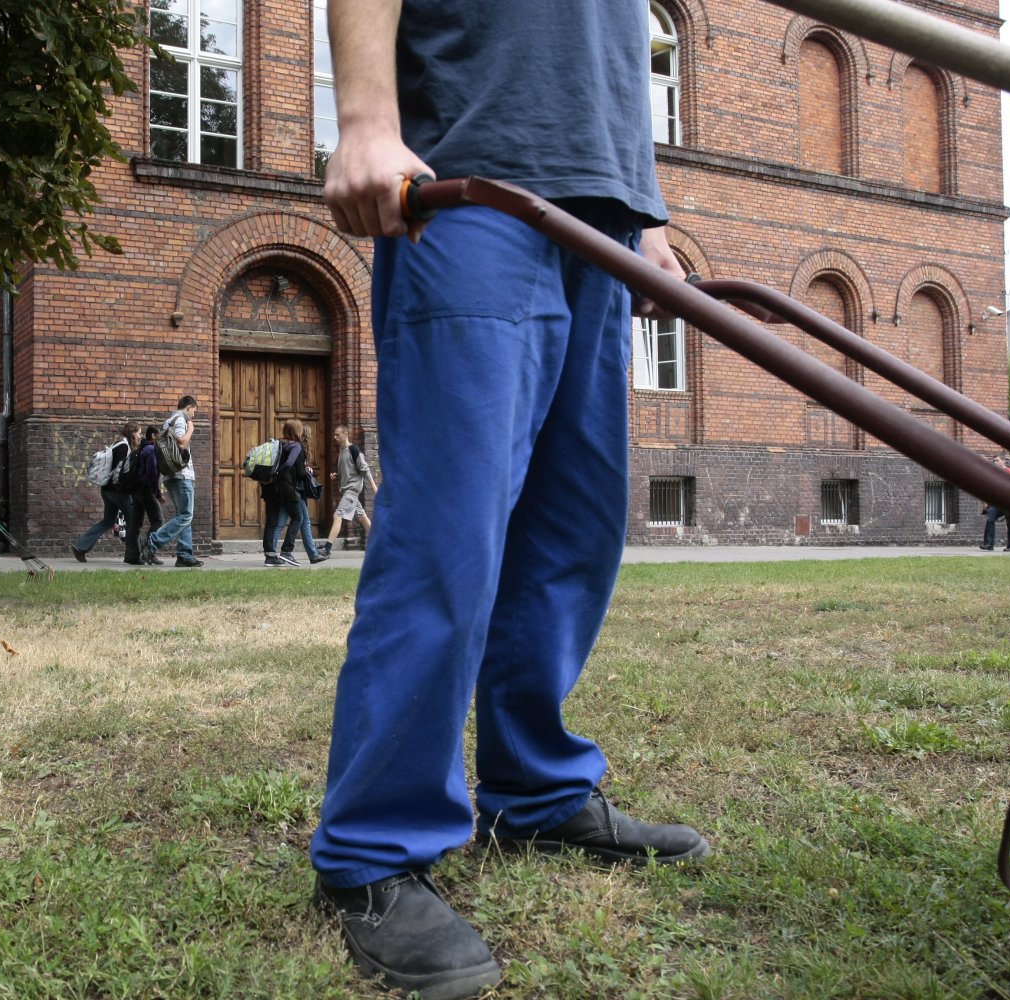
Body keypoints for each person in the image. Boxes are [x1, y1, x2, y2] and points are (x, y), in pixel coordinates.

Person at [310, 2, 707, 997]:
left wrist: (646, 210)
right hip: (470, 181)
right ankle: (374, 846)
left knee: (571, 530)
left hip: (601, 210)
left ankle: (533, 787)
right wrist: (364, 118)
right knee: (452, 532)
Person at [141, 395, 204, 568]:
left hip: (171, 476)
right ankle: (152, 542)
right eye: (194, 412)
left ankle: (184, 555)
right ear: (189, 407)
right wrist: (191, 428)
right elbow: (181, 442)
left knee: (184, 516)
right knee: (185, 515)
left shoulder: (167, 422)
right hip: (181, 475)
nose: (194, 416)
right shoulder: (180, 420)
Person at [73, 422, 138, 563]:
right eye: (138, 432)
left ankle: (81, 546)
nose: (139, 435)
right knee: (133, 521)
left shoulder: (118, 444)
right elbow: (118, 471)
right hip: (117, 492)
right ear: (132, 432)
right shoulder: (124, 447)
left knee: (108, 521)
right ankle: (134, 554)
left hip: (107, 490)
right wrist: (125, 488)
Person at [319, 424, 377, 558]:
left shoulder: (354, 450)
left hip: (352, 490)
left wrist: (375, 489)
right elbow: (348, 470)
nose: (335, 437)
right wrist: (336, 475)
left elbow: (365, 469)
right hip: (347, 491)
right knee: (362, 517)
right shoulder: (342, 450)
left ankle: (327, 549)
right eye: (334, 435)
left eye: (337, 435)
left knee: (337, 515)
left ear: (345, 434)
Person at [262, 420, 309, 567]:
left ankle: (270, 556)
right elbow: (294, 468)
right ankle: (287, 551)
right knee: (297, 517)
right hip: (285, 487)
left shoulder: (277, 444)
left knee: (272, 521)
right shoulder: (296, 446)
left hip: (269, 487)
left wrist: (272, 477)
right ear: (297, 431)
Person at [125, 426, 165, 565]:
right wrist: (158, 494)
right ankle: (149, 551)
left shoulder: (142, 448)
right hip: (146, 491)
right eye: (159, 436)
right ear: (153, 436)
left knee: (135, 524)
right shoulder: (150, 450)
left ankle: (131, 556)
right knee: (158, 521)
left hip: (136, 490)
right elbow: (151, 474)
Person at [978, 454, 1010, 551]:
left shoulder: (1009, 472)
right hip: (997, 503)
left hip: (1009, 502)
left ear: (1003, 461)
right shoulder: (993, 473)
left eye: (997, 460)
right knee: (990, 519)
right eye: (994, 460)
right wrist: (986, 502)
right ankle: (988, 544)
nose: (995, 462)